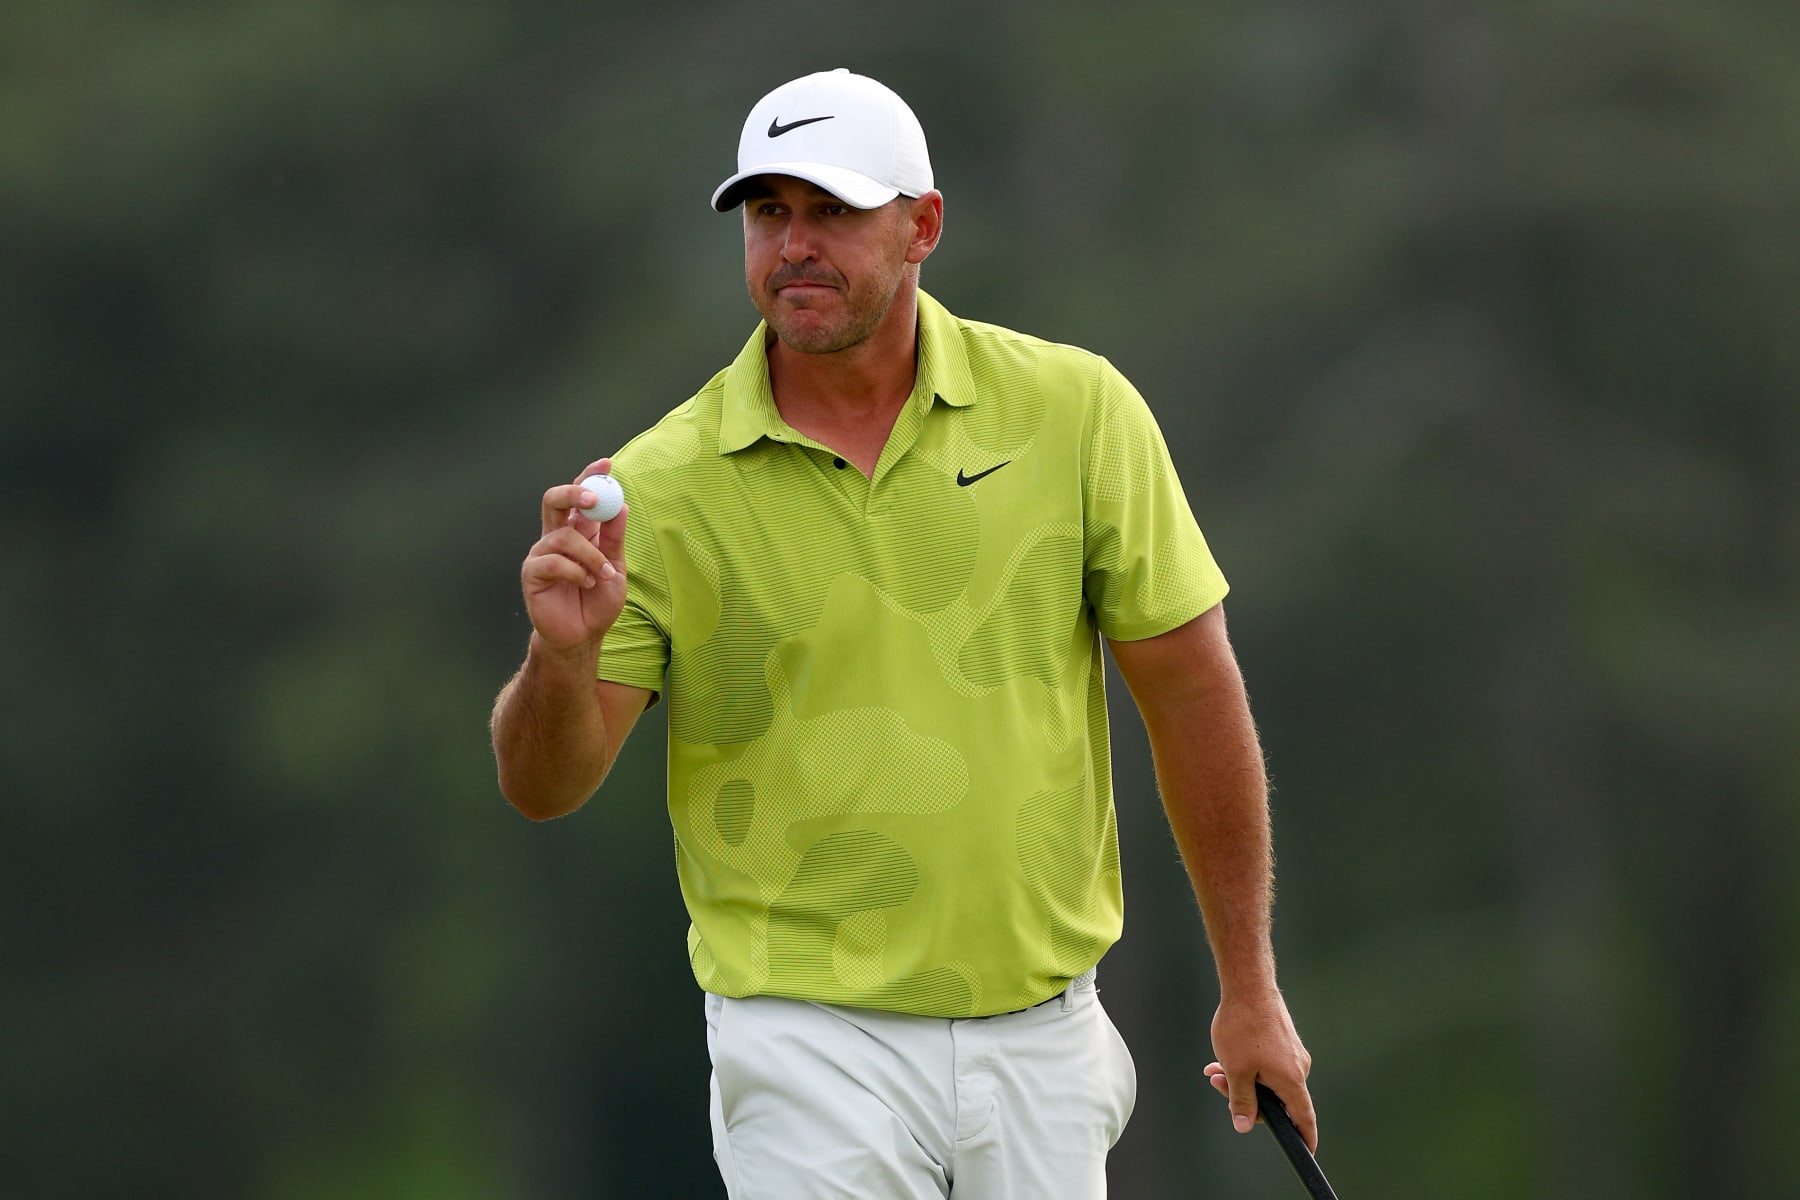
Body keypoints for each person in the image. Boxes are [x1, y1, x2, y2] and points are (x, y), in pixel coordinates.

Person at [490, 67, 1315, 1199]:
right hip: (802, 1034)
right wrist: (561, 655)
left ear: (922, 226)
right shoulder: (660, 485)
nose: (794, 246)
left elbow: (1190, 692)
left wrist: (1250, 987)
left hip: (1044, 1031)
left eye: (832, 211)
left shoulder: (1076, 414)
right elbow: (546, 786)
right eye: (769, 212)